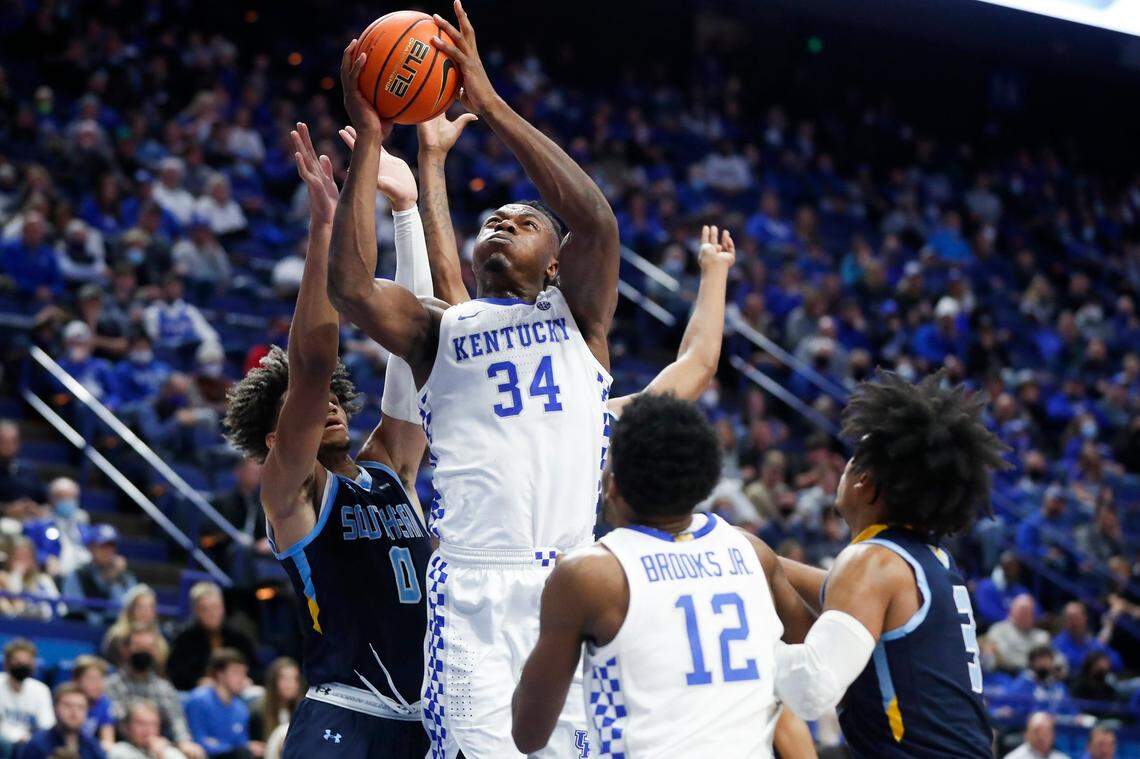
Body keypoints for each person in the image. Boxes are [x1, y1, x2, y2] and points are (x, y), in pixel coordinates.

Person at [329, 4, 620, 752]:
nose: (499, 221)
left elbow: (596, 221)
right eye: (491, 217)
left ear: (555, 260)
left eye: (522, 220)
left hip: (569, 579)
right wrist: (370, 139)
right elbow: (354, 289)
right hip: (474, 586)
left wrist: (488, 104)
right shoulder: (441, 329)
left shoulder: (580, 320)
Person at [222, 123, 433, 758]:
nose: (330, 406)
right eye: (309, 410)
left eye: (338, 400)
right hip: (344, 711)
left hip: (426, 717)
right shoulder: (293, 490)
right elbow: (312, 363)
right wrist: (324, 230)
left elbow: (418, 351)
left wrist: (407, 212)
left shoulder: (390, 466)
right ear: (277, 434)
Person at [510, 394, 815, 757]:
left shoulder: (590, 576)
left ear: (613, 484)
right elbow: (811, 658)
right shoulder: (752, 551)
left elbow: (528, 733)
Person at [413, 112, 735, 424]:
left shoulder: (595, 416)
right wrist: (432, 158)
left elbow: (698, 366)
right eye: (496, 222)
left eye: (526, 225)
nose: (507, 228)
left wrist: (715, 272)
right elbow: (444, 273)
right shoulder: (473, 330)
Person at [777, 371, 1007, 757]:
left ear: (865, 481)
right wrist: (748, 556)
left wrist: (740, 651)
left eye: (852, 461)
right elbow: (827, 589)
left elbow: (810, 692)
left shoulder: (872, 561)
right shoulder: (929, 561)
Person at [105, 627, 204, 759]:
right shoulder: (110, 685)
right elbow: (114, 721)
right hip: (122, 745)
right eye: (139, 646)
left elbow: (176, 721)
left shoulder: (164, 688)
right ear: (126, 650)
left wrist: (184, 743)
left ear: (155, 651)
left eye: (148, 647)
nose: (144, 651)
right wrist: (145, 736)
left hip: (159, 745)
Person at [167, 583, 258, 691]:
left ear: (223, 608)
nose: (212, 613)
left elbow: (257, 670)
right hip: (200, 693)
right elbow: (176, 674)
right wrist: (197, 681)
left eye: (215, 607)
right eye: (205, 609)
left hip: (238, 691)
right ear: (196, 611)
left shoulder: (239, 639)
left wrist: (247, 679)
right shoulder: (185, 640)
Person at [184, 649, 260, 759]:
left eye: (244, 673)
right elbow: (199, 742)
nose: (242, 678)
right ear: (220, 674)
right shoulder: (199, 700)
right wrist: (233, 748)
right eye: (236, 672)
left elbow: (242, 744)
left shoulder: (241, 709)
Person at [63, 525, 137, 626]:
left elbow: (127, 608)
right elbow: (75, 608)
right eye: (103, 546)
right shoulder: (78, 575)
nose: (108, 551)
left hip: (117, 632)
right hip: (83, 630)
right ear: (91, 548)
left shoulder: (125, 577)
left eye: (111, 546)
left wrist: (114, 580)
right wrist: (103, 580)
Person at [20, 682, 105, 759]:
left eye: (81, 707)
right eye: (68, 705)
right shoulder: (37, 744)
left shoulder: (92, 745)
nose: (74, 712)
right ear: (54, 709)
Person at [0, 639, 54, 749]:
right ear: (6, 663)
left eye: (27, 662)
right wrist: (16, 736)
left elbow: (47, 725)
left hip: (30, 743)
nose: (22, 665)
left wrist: (31, 739)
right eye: (18, 661)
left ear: (33, 664)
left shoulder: (41, 690)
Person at [101, 585, 169, 668]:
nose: (146, 612)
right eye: (141, 607)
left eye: (150, 607)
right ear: (130, 609)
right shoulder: (117, 636)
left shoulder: (160, 640)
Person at [985, 594, 1052, 673]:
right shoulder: (997, 630)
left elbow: (1051, 660)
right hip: (1005, 675)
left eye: (1028, 613)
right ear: (1012, 612)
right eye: (1021, 612)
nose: (1025, 616)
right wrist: (1031, 663)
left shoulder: (1042, 636)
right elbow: (1003, 657)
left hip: (1035, 677)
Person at [1053, 601, 1123, 673]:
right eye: (1070, 618)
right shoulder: (1057, 644)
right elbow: (1075, 667)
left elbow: (1117, 662)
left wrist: (1106, 663)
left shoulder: (1092, 641)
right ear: (1064, 621)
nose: (1073, 623)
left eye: (1076, 618)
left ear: (1085, 618)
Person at [248, 658, 301, 745]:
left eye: (295, 678)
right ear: (273, 681)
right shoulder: (258, 713)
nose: (291, 684)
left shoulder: (301, 712)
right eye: (284, 678)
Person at [109, 701, 187, 759]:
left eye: (153, 724)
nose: (148, 729)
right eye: (141, 723)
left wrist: (161, 753)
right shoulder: (119, 751)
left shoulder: (169, 752)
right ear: (127, 728)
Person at [974, 551, 1030, 628]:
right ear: (1001, 567)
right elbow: (987, 613)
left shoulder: (1020, 590)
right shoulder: (986, 586)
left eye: (1015, 567)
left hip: (1022, 628)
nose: (1013, 571)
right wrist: (1011, 620)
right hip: (995, 628)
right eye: (1009, 567)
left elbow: (1035, 613)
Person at [73, 656, 115, 752]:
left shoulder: (104, 703)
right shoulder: (66, 700)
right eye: (92, 679)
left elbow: (108, 741)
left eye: (101, 679)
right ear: (76, 681)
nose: (98, 684)